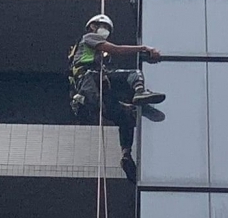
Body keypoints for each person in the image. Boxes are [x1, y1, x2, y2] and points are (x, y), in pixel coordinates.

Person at [69, 13, 164, 183]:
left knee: (126, 117)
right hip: (92, 80)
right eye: (103, 27)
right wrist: (144, 48)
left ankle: (126, 154)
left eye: (107, 29)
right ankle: (140, 92)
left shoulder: (97, 55)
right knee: (134, 73)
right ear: (93, 26)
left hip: (93, 92)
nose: (105, 31)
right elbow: (117, 49)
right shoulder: (89, 37)